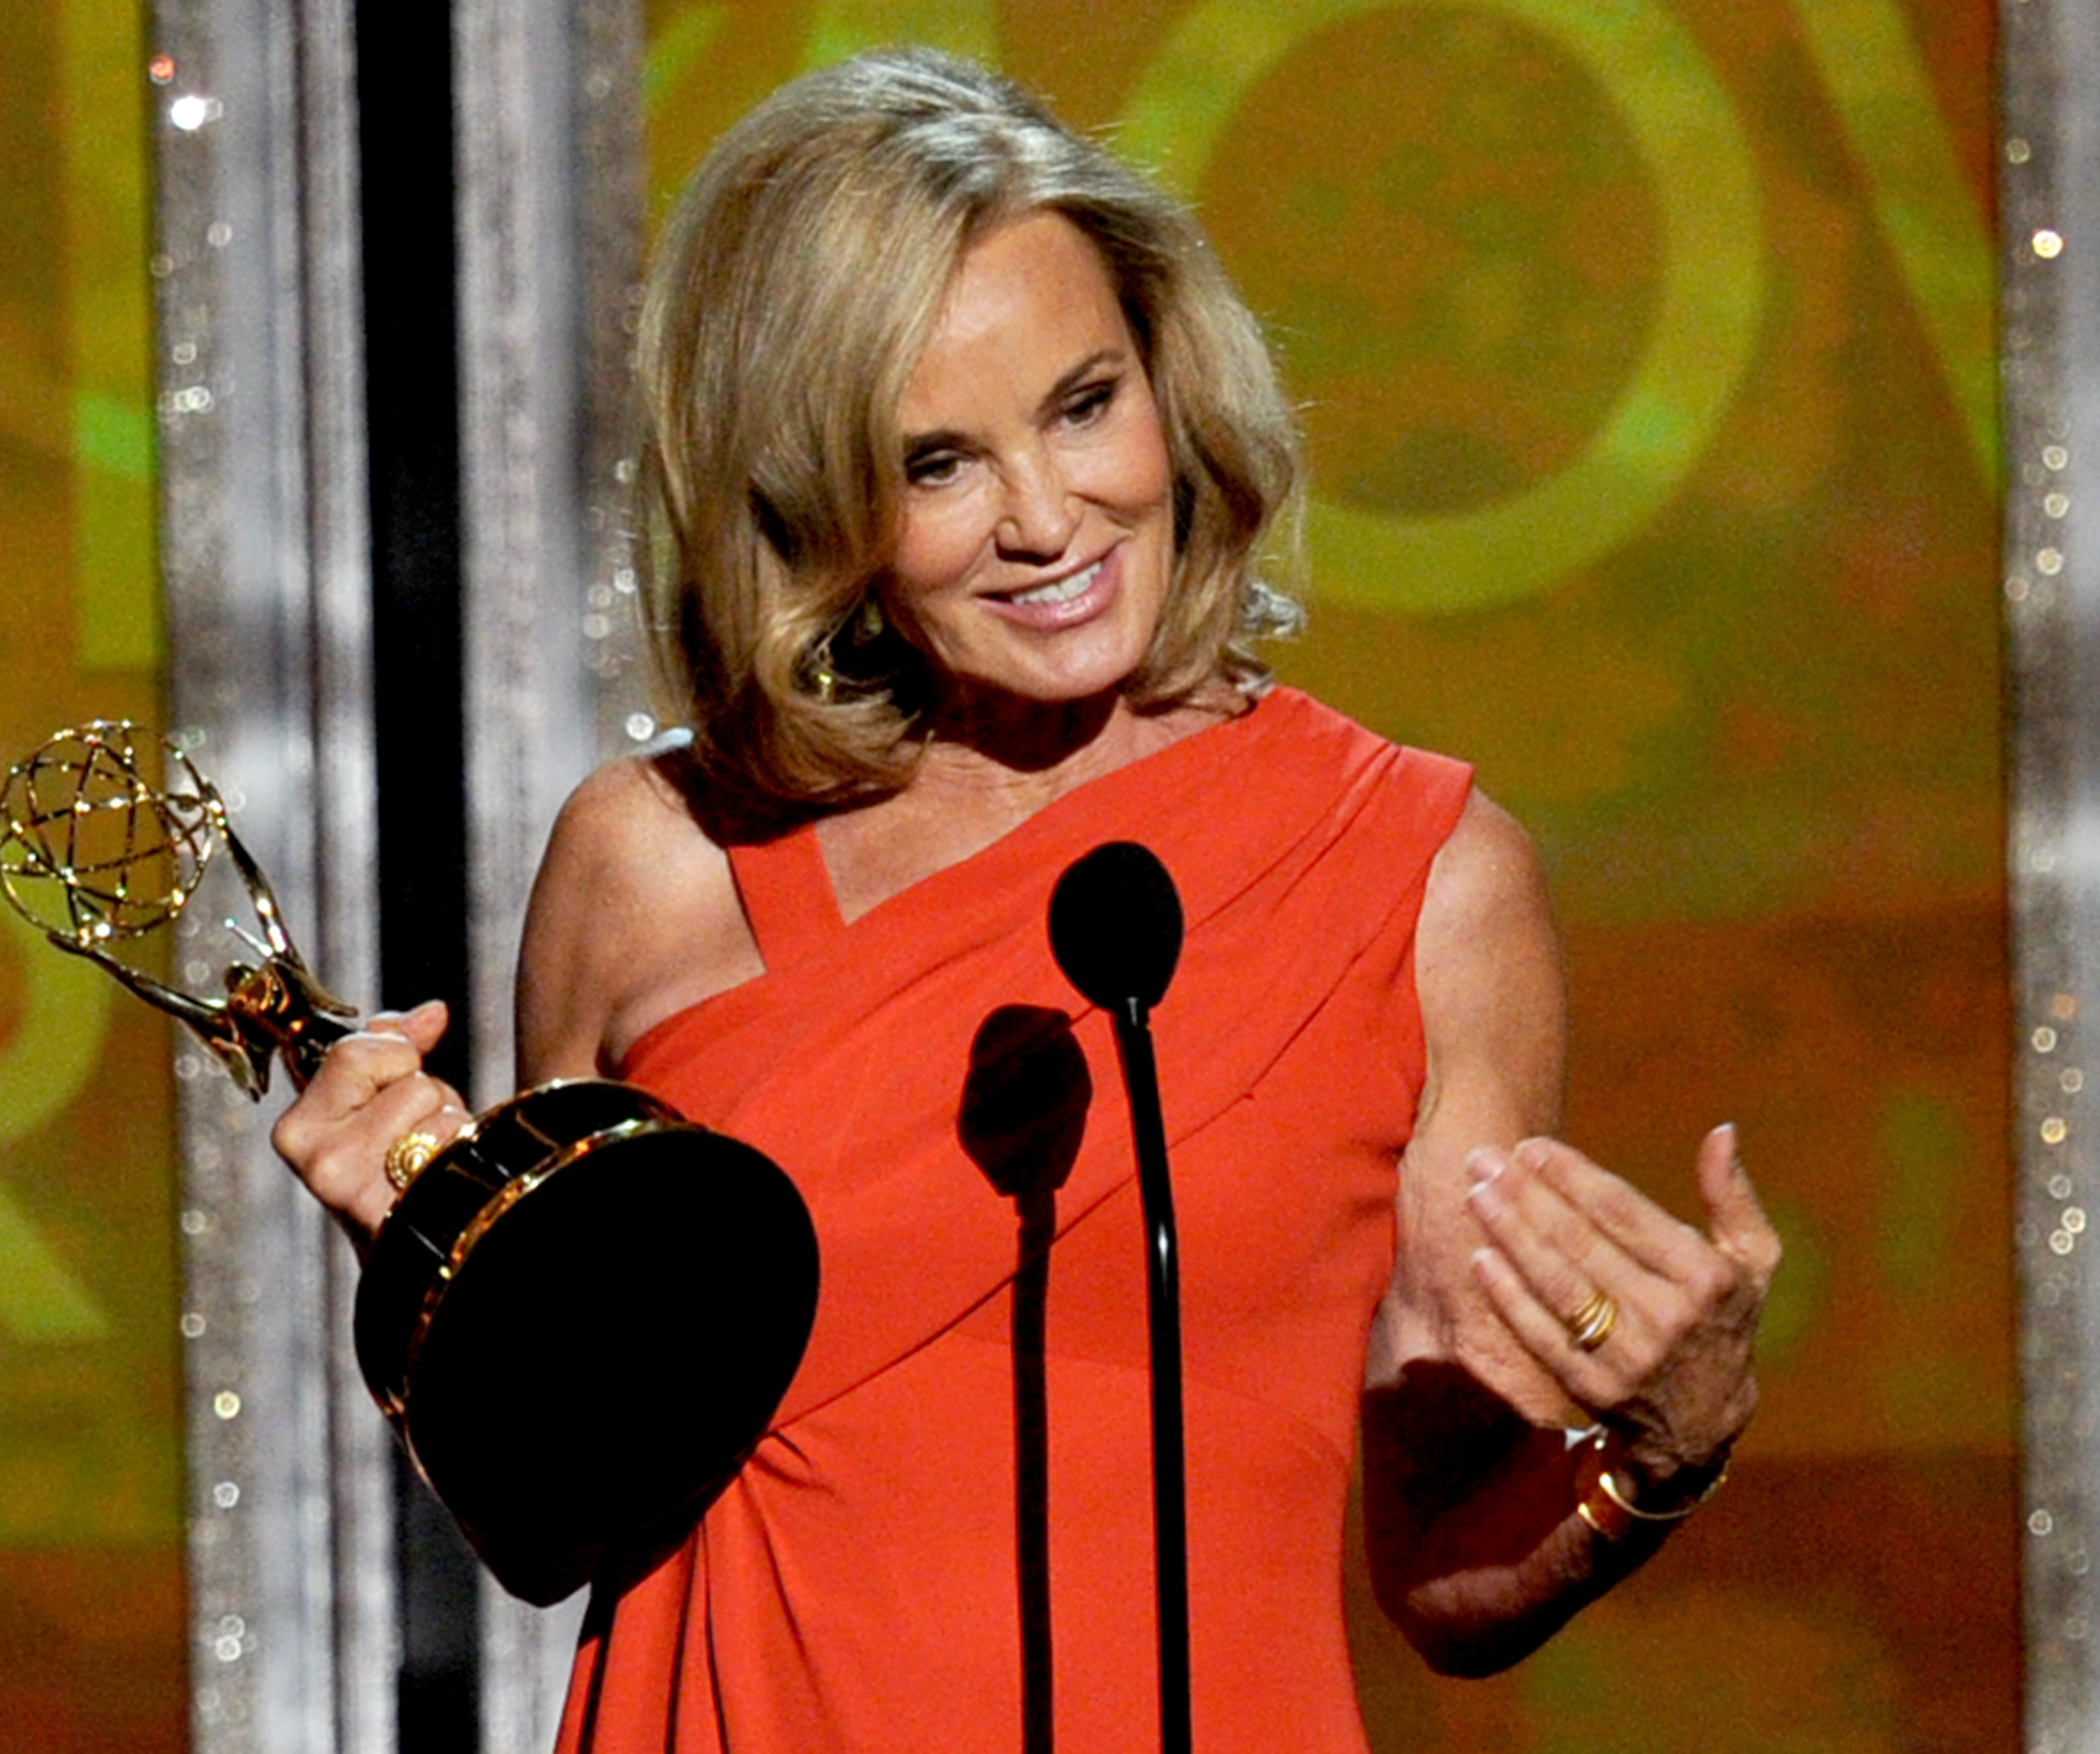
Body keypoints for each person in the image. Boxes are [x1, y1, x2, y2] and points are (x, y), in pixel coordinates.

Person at [272, 47, 1777, 1753]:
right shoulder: (653, 865)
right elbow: (571, 1519)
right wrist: (429, 1238)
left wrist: (1660, 1453)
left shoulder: (1417, 879)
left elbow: (1444, 1580)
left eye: (1084, 405)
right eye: (936, 464)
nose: (1051, 519)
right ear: (809, 500)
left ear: (1167, 380)